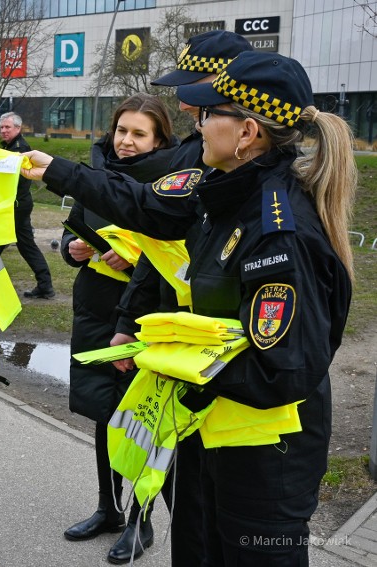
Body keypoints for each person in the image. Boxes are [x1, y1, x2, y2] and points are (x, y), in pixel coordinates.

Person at [23, 50, 355, 566]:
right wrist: (57, 171)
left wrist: (167, 356)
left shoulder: (279, 232)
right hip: (212, 431)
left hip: (265, 460)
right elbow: (145, 205)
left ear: (247, 133)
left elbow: (282, 370)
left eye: (208, 114)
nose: (197, 125)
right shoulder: (223, 191)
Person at [106, 30, 253, 566]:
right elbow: (159, 248)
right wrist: (130, 319)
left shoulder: (239, 172)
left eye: (194, 90)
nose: (186, 101)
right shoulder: (203, 148)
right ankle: (132, 518)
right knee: (188, 497)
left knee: (223, 515)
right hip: (186, 340)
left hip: (226, 364)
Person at [60, 93, 177, 565]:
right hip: (94, 311)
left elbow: (173, 256)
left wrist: (132, 263)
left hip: (144, 318)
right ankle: (108, 508)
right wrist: (73, 248)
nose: (126, 142)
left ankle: (140, 519)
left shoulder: (171, 184)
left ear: (160, 140)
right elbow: (76, 229)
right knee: (102, 412)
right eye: (122, 131)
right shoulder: (97, 174)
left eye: (139, 134)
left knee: (141, 421)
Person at [0, 112, 55, 299]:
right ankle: (45, 286)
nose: (3, 131)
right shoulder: (11, 146)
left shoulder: (19, 149)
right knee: (25, 245)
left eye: (8, 127)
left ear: (18, 128)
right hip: (16, 204)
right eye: (2, 127)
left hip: (16, 206)